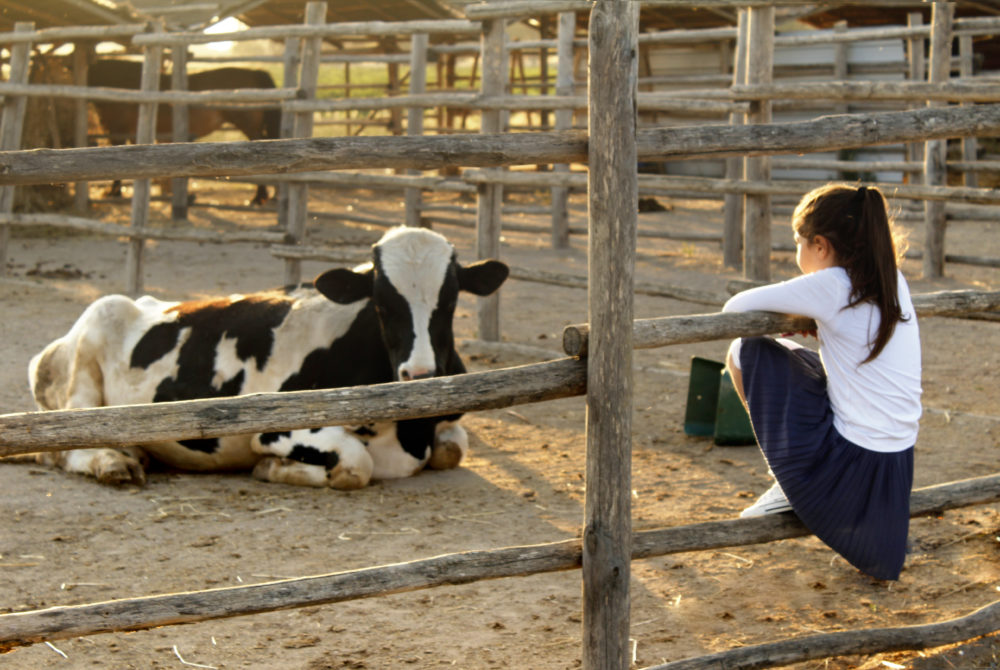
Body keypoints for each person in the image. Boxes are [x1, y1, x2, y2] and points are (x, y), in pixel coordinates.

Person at [722, 183, 922, 581]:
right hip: (895, 459)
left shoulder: (832, 284)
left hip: (847, 465)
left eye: (797, 242)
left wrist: (808, 313)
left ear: (819, 245)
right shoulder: (890, 278)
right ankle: (787, 480)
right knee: (804, 363)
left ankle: (786, 480)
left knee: (744, 349)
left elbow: (734, 308)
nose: (795, 253)